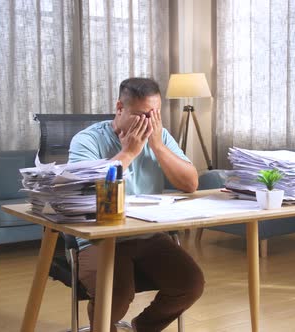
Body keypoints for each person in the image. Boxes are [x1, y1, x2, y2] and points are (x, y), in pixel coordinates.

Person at [69, 77, 204, 331]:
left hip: (146, 234)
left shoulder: (160, 135)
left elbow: (190, 184)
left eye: (155, 114)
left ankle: (142, 327)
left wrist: (158, 147)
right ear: (120, 108)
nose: (149, 123)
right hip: (101, 237)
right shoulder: (86, 140)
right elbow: (85, 189)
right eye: (142, 115)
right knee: (116, 294)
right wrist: (129, 153)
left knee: (190, 283)